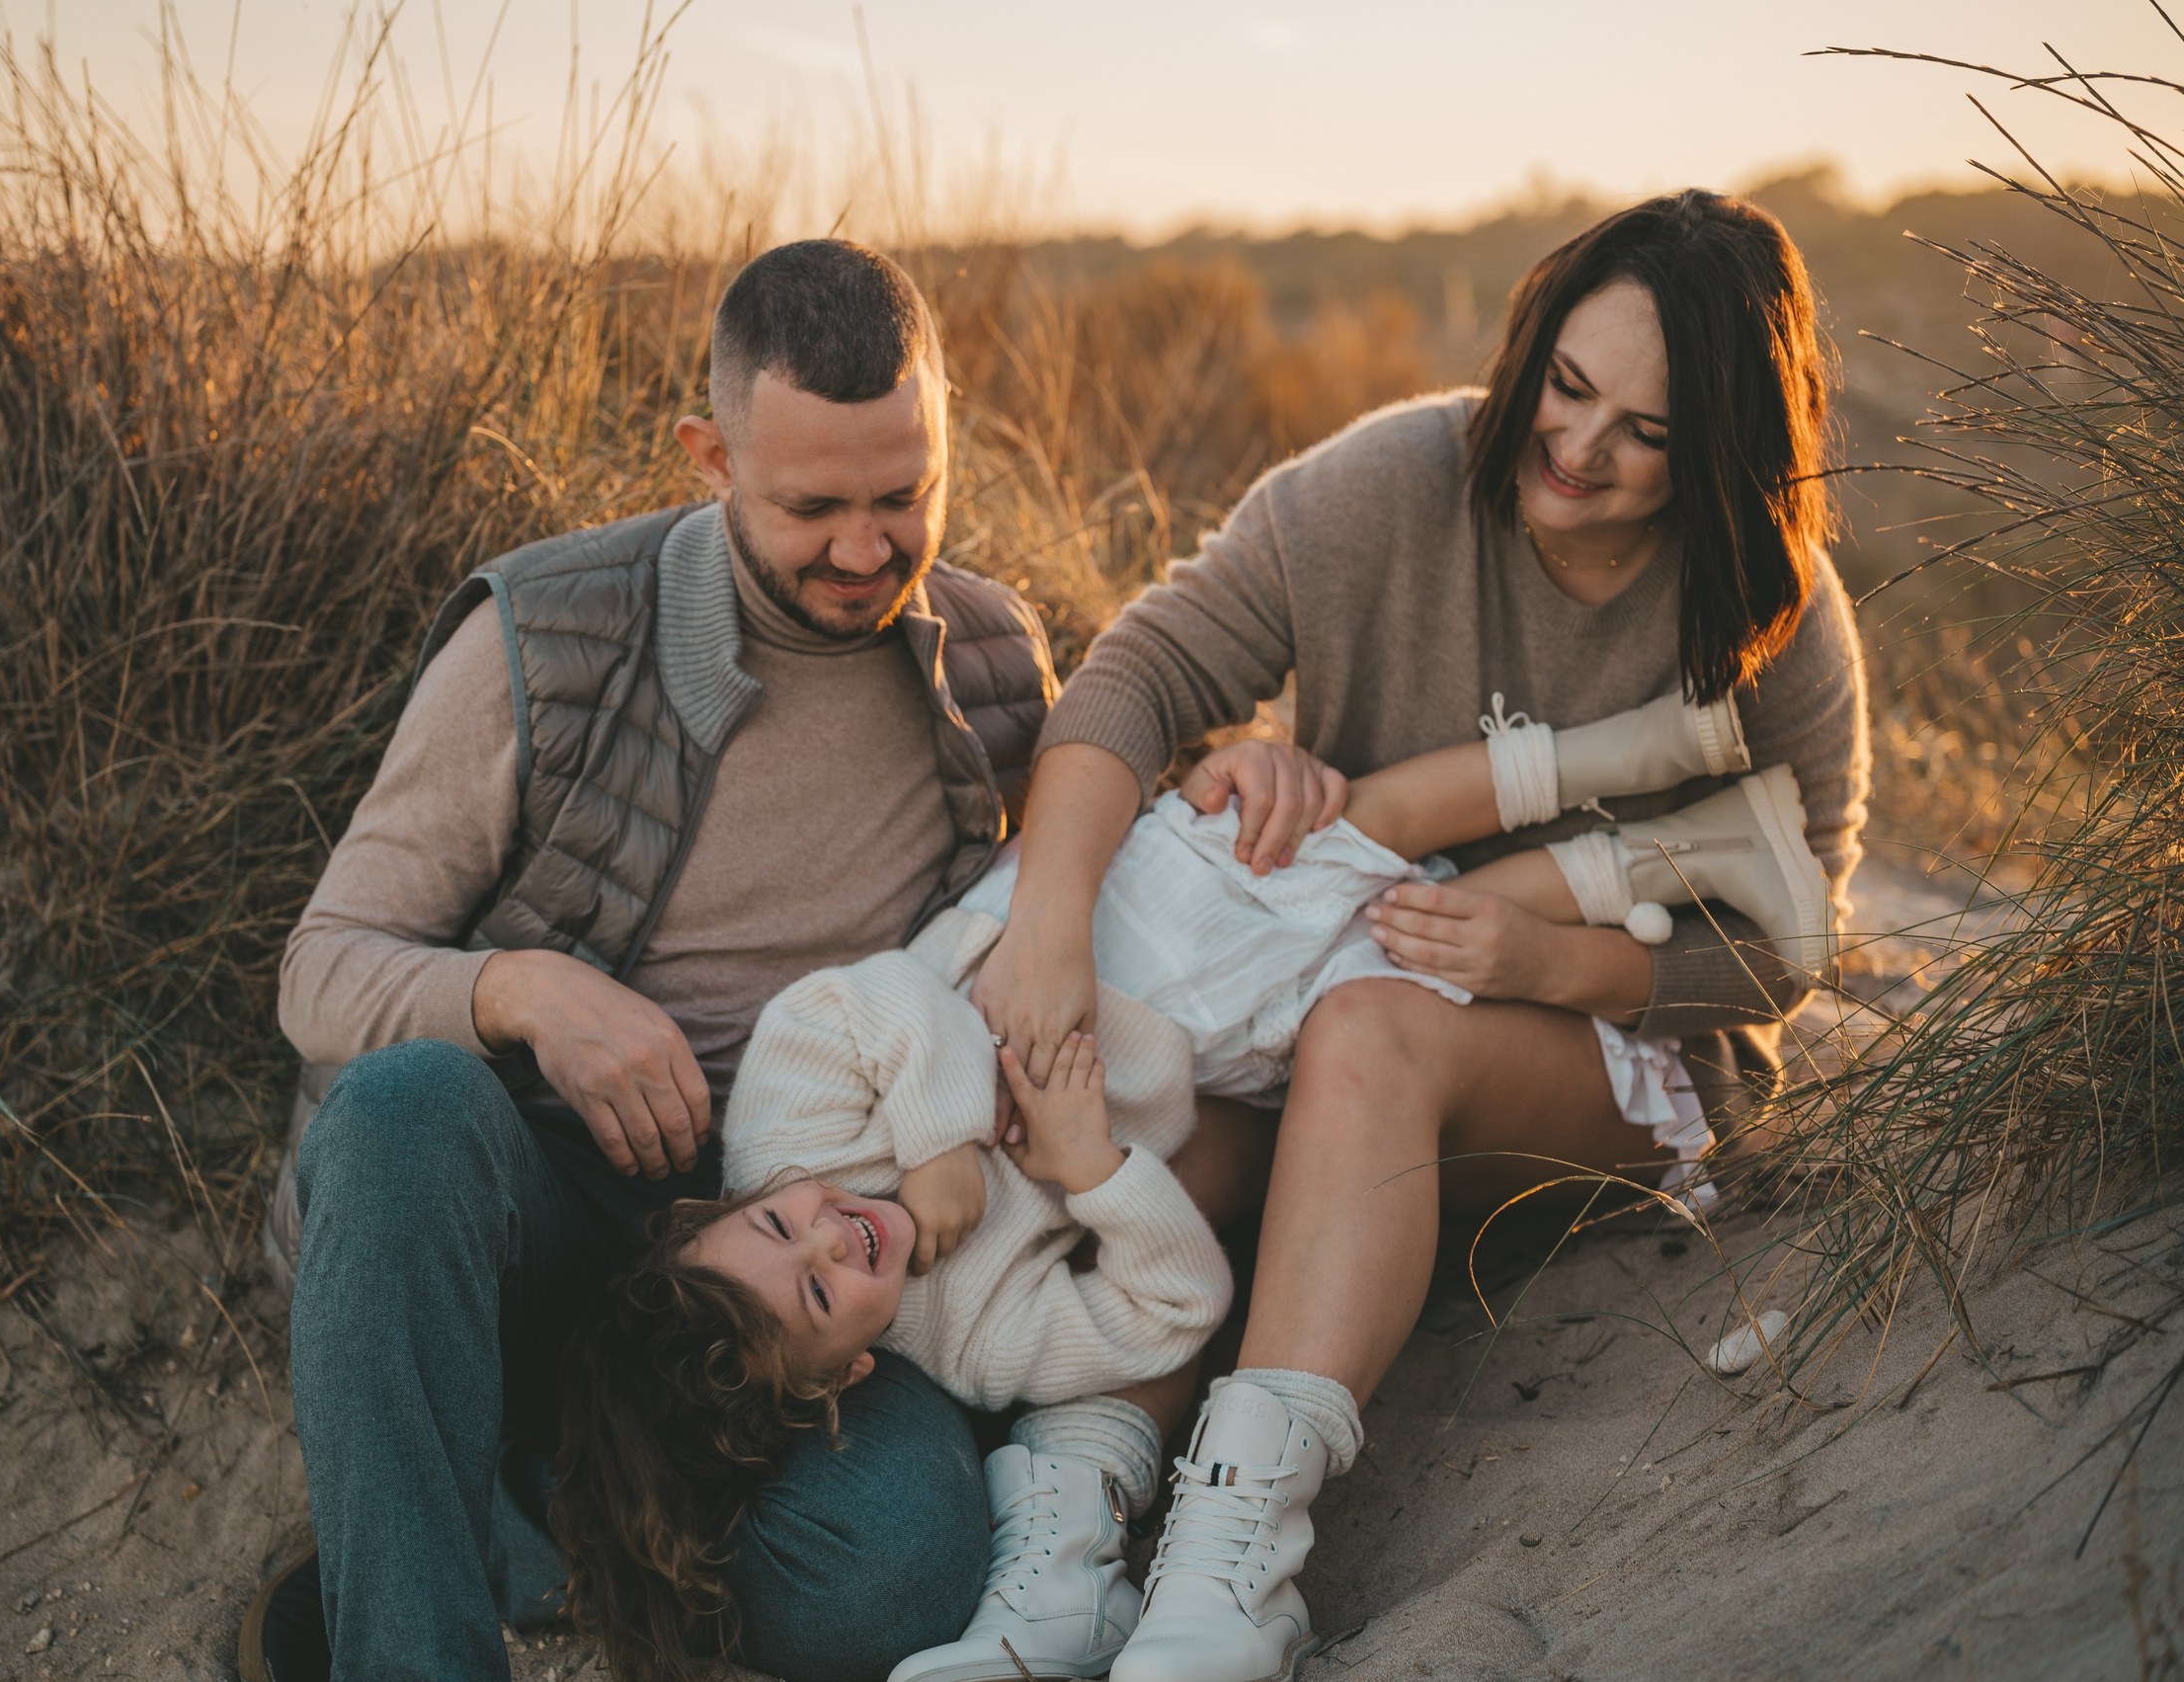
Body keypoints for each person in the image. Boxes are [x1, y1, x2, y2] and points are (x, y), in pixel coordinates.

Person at [970, 190, 1870, 1682]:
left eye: (1647, 433)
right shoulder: (1391, 482)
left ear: (1721, 450)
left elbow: (1797, 938)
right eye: (1566, 388)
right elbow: (1138, 674)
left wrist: (1552, 964)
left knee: (1368, 1032)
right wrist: (1048, 923)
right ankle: (1068, 1553)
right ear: (1533, 347)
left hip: (1602, 1060)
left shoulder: (1771, 605)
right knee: (1158, 1128)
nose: (1577, 447)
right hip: (1330, 994)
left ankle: (1235, 1567)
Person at [542, 677, 1829, 1682]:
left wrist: (939, 1145)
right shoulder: (971, 1345)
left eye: (780, 1225)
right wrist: (1095, 1172)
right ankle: (1702, 845)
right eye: (821, 1295)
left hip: (1119, 936)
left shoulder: (784, 1132)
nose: (833, 1234)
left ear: (740, 1199)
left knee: (1344, 834)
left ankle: (1647, 747)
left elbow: (870, 1004)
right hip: (1215, 1052)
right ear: (846, 1379)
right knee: (1406, 940)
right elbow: (1168, 1307)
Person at [245, 238, 1060, 1682]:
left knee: (894, 1566)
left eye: (904, 496)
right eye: (812, 507)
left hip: (804, 1278)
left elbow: (1091, 854)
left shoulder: (991, 657)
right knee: (396, 1114)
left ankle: (502, 1526)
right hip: (543, 1216)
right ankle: (423, 1633)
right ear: (711, 457)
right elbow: (322, 969)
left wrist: (1246, 775)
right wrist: (525, 993)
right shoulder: (547, 637)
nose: (865, 551)